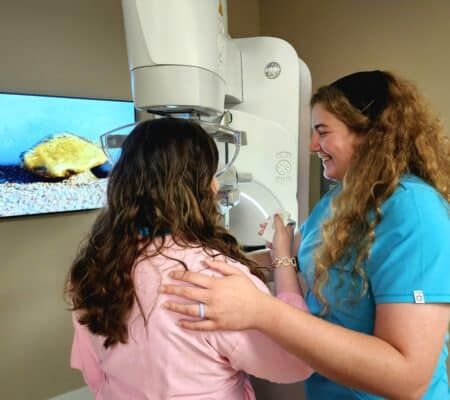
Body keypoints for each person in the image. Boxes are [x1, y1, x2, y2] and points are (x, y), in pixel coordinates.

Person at [161, 70, 450, 399]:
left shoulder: (415, 211)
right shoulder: (338, 200)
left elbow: (407, 378)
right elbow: (300, 264)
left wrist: (260, 310)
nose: (313, 146)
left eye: (322, 132)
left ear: (371, 134)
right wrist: (193, 260)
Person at [65, 117, 313, 400]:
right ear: (195, 188)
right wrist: (283, 264)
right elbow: (296, 363)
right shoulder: (217, 279)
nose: (217, 185)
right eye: (211, 174)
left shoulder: (94, 267)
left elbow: (95, 374)